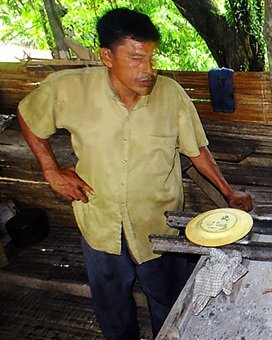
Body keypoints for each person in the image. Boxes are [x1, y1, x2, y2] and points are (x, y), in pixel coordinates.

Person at [17, 8, 253, 339]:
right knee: (112, 305)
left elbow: (197, 150)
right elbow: (28, 117)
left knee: (169, 303)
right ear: (107, 56)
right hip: (100, 224)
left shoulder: (170, 95)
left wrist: (229, 192)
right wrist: (51, 171)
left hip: (158, 225)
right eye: (136, 59)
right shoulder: (68, 89)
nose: (148, 69)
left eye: (151, 58)